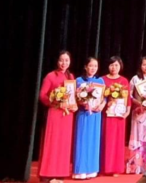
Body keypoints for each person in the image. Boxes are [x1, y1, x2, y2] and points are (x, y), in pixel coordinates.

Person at [39, 50, 76, 182]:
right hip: (54, 113)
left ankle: (60, 174)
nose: (63, 63)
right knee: (52, 143)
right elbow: (42, 96)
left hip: (67, 115)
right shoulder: (50, 76)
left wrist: (74, 105)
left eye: (66, 60)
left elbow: (72, 96)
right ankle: (47, 175)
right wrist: (55, 102)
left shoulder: (71, 76)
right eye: (61, 60)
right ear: (57, 61)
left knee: (63, 144)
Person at [73, 56, 105, 179]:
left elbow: (104, 97)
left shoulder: (100, 81)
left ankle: (92, 168)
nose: (93, 68)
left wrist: (101, 105)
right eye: (91, 66)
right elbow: (75, 97)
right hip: (84, 114)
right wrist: (82, 103)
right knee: (82, 140)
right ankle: (80, 170)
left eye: (95, 66)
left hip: (96, 115)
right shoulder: (79, 80)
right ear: (85, 67)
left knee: (94, 140)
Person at [126, 56, 146, 176]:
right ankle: (135, 165)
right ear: (140, 66)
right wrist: (139, 103)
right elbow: (129, 95)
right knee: (137, 136)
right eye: (144, 64)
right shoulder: (135, 79)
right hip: (138, 111)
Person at [101, 56, 129, 175]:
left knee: (118, 141)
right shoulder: (102, 80)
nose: (114, 67)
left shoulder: (124, 80)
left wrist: (127, 112)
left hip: (119, 116)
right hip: (107, 115)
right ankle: (104, 167)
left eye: (116, 65)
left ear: (120, 66)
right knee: (106, 140)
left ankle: (116, 168)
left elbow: (128, 99)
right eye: (111, 65)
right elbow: (99, 97)